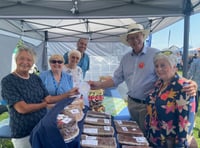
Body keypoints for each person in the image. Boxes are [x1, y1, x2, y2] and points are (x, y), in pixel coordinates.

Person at [88, 23, 197, 133]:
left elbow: (168, 73)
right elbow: (116, 79)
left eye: (137, 37)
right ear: (128, 41)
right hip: (131, 103)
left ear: (143, 37)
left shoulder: (154, 53)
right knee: (133, 134)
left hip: (149, 105)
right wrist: (98, 85)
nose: (135, 40)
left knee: (147, 135)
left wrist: (188, 83)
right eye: (131, 38)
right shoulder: (125, 58)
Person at [1, 46, 79, 148]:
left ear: (33, 62)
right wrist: (45, 105)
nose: (25, 62)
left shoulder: (35, 78)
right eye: (22, 58)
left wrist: (68, 93)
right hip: (24, 133)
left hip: (41, 128)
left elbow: (49, 98)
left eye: (29, 60)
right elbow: (22, 108)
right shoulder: (8, 81)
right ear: (16, 60)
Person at [145, 50, 195, 147]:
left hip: (169, 143)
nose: (159, 69)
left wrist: (180, 145)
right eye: (156, 66)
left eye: (163, 65)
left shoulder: (183, 87)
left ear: (174, 67)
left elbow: (185, 123)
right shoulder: (159, 83)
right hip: (154, 138)